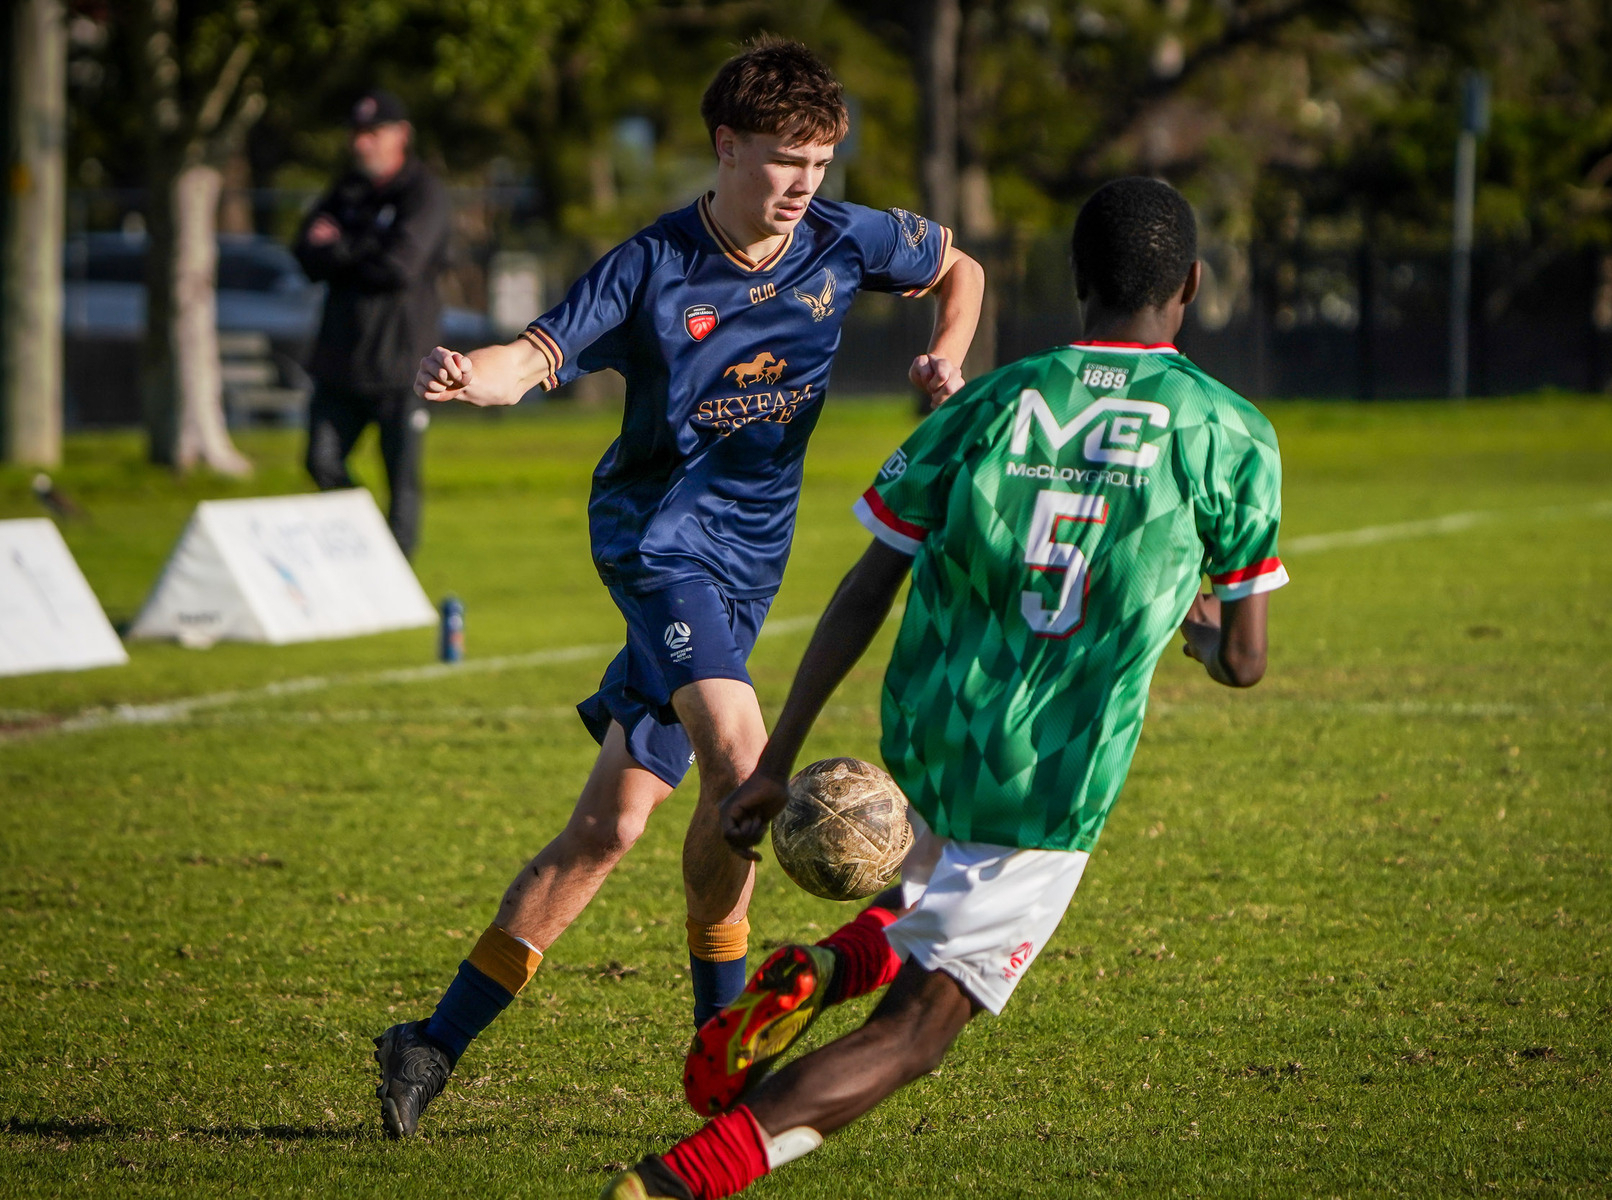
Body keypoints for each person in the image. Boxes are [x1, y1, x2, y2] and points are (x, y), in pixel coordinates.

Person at [600, 177, 1288, 1200]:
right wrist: (1184, 622)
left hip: (928, 734)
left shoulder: (992, 401)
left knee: (929, 895)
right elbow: (1243, 658)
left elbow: (865, 584)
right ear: (1190, 284)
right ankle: (670, 1185)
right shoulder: (1228, 432)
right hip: (1051, 779)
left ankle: (824, 970)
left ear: (1076, 280)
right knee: (919, 1031)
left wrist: (774, 764)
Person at [370, 38, 985, 1139]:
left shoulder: (843, 240)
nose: (804, 184)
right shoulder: (651, 267)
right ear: (725, 146)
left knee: (605, 831)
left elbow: (961, 267)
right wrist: (475, 377)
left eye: (820, 162)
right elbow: (535, 352)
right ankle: (725, 1060)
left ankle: (431, 1039)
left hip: (747, 573)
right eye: (784, 160)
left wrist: (948, 356)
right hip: (657, 549)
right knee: (746, 773)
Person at [294, 89, 449, 559]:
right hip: (341, 361)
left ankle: (397, 575)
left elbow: (399, 266)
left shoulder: (423, 192)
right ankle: (365, 551)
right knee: (320, 462)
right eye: (357, 134)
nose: (362, 144)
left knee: (400, 480)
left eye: (373, 134)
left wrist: (341, 246)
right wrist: (366, 244)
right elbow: (304, 253)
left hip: (403, 364)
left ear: (401, 135)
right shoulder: (347, 190)